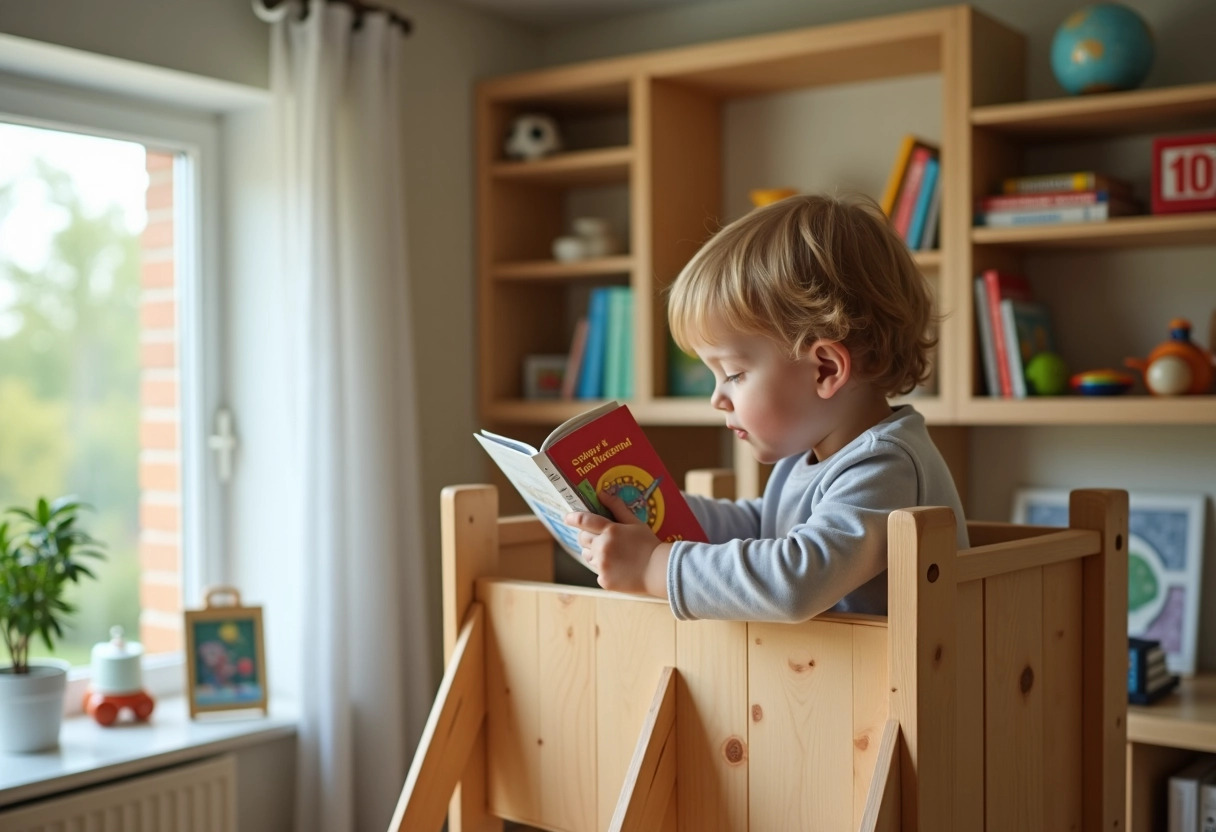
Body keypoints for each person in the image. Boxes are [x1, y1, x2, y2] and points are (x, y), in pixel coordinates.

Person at [565, 193, 968, 622]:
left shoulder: (885, 467)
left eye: (734, 374)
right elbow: (761, 526)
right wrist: (661, 511)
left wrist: (652, 566)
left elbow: (795, 581)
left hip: (894, 683)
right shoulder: (812, 453)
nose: (717, 398)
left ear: (825, 370)